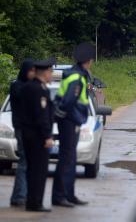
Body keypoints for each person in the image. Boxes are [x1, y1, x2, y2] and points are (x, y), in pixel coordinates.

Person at [52, 42, 95, 207]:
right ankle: (59, 196)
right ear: (88, 61)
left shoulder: (73, 74)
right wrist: (69, 117)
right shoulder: (77, 77)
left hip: (69, 120)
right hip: (70, 121)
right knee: (66, 159)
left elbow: (60, 98)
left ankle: (69, 195)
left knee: (71, 159)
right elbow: (69, 100)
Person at [21, 58, 55, 212]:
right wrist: (47, 136)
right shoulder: (40, 90)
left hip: (28, 134)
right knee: (39, 170)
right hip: (37, 136)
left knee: (31, 169)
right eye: (51, 72)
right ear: (46, 72)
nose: (52, 75)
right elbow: (42, 116)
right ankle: (36, 203)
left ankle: (31, 201)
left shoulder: (28, 87)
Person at [10, 59, 36, 207]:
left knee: (26, 162)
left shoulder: (28, 86)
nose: (34, 74)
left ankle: (19, 196)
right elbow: (25, 97)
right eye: (31, 71)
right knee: (24, 162)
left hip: (29, 128)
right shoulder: (17, 86)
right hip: (21, 128)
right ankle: (20, 196)